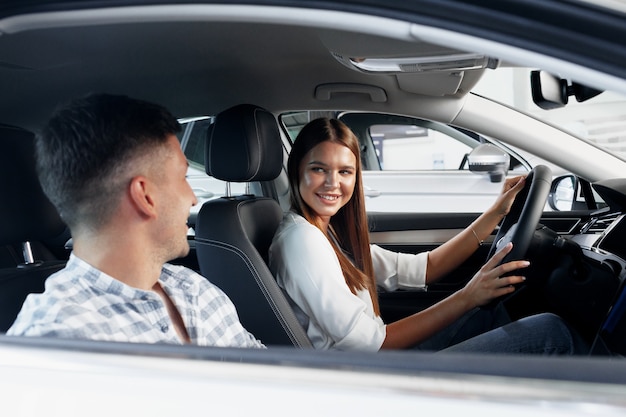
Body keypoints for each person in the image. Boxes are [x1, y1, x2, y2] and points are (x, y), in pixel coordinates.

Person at [269, 117, 587, 354]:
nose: (332, 183)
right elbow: (371, 346)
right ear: (297, 169)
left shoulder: (326, 233)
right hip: (372, 379)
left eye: (345, 171)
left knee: (492, 311)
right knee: (551, 331)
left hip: (382, 362)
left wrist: (495, 214)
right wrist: (467, 295)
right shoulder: (301, 241)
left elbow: (423, 267)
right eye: (318, 169)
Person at [8, 94, 264, 348]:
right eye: (184, 178)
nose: (193, 198)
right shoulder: (59, 342)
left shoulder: (194, 288)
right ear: (145, 196)